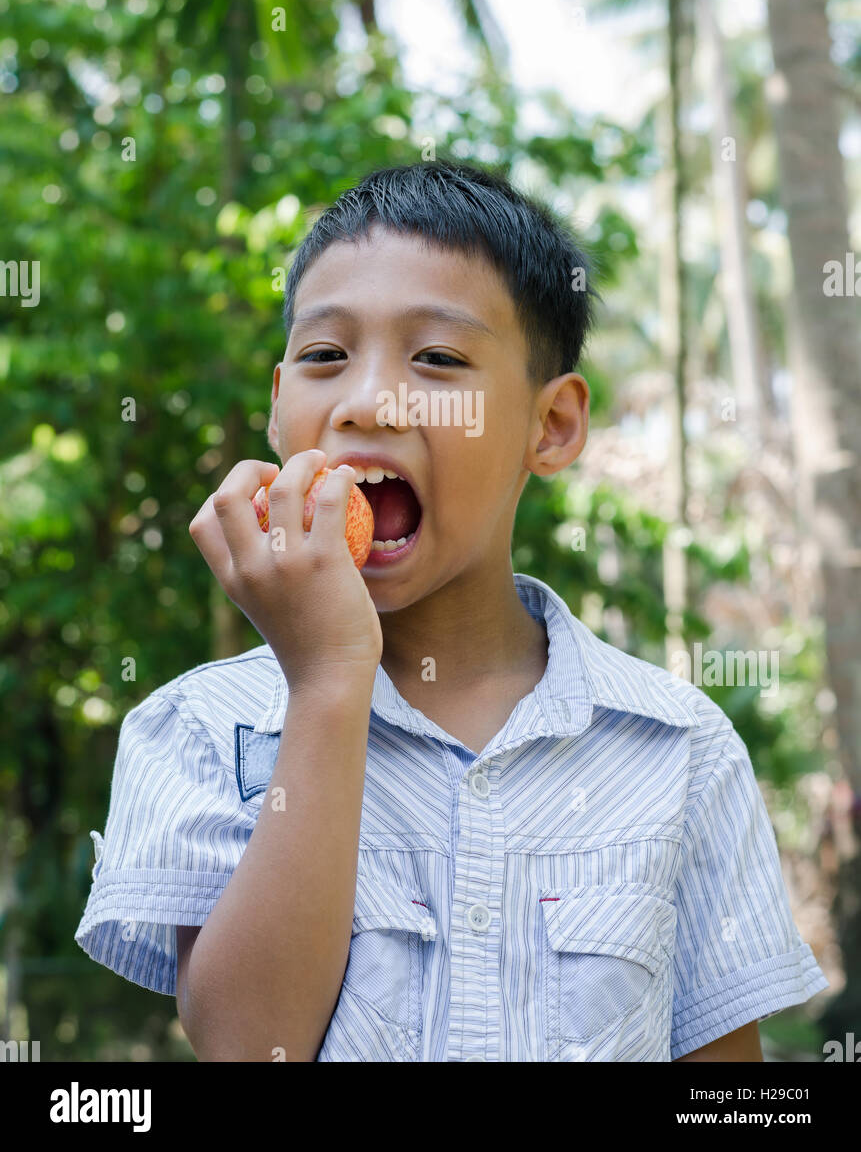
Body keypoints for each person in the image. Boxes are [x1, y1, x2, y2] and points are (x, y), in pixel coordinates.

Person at [75, 158, 828, 1061]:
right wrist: (325, 684)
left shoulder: (680, 751)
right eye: (325, 356)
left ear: (550, 426)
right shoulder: (199, 729)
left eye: (435, 358)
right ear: (280, 413)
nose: (365, 402)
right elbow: (246, 1045)